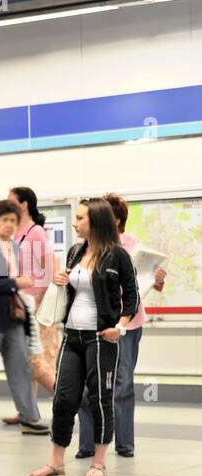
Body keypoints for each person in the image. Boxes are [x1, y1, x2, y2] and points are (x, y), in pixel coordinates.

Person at [29, 198, 139, 476]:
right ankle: (56, 461)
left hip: (101, 338)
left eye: (80, 218)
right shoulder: (75, 252)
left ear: (96, 221)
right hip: (72, 336)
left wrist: (120, 327)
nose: (75, 223)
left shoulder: (118, 256)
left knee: (100, 398)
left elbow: (132, 297)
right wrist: (61, 281)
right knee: (64, 398)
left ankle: (99, 462)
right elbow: (71, 292)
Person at [75, 192, 168, 459]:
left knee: (123, 382)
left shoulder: (133, 246)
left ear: (115, 219)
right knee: (87, 383)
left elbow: (147, 284)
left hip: (128, 323)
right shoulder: (86, 246)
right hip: (92, 322)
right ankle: (87, 444)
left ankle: (124, 444)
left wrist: (158, 278)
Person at [0, 199, 47, 434]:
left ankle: (29, 417)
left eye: (13, 221)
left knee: (21, 366)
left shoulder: (13, 246)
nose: (9, 225)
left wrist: (17, 283)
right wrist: (15, 283)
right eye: (5, 220)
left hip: (13, 315)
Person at [4, 187, 58, 420]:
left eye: (11, 200)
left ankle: (71, 401)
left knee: (37, 359)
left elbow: (50, 269)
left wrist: (42, 301)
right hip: (21, 300)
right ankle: (28, 411)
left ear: (24, 205)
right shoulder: (15, 232)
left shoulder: (36, 233)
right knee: (26, 357)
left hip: (37, 301)